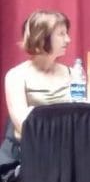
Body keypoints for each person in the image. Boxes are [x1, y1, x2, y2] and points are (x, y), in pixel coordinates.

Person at [4, 10, 72, 141]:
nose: (68, 40)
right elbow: (22, 126)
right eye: (61, 34)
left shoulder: (73, 74)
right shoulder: (16, 76)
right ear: (41, 38)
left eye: (66, 33)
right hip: (29, 151)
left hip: (66, 147)